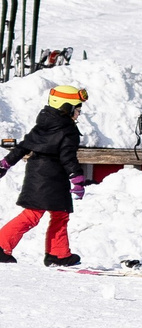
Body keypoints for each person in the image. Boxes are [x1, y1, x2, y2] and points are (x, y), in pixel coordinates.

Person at [0, 82, 89, 266]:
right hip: (51, 175)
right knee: (34, 214)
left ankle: (58, 254)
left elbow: (24, 146)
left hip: (39, 172)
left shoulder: (44, 123)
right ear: (66, 107)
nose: (79, 114)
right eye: (77, 110)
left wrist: (6, 163)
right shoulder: (68, 130)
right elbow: (68, 157)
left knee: (59, 213)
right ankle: (2, 246)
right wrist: (77, 178)